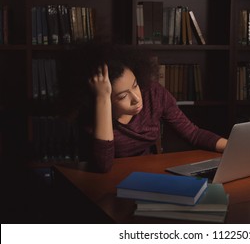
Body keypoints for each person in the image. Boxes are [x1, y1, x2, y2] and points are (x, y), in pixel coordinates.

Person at [77, 44, 227, 172]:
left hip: (148, 174)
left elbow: (193, 134)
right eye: (123, 96)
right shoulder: (96, 113)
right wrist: (102, 98)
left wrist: (232, 147)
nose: (136, 99)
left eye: (135, 85)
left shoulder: (153, 94)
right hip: (110, 181)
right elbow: (103, 165)